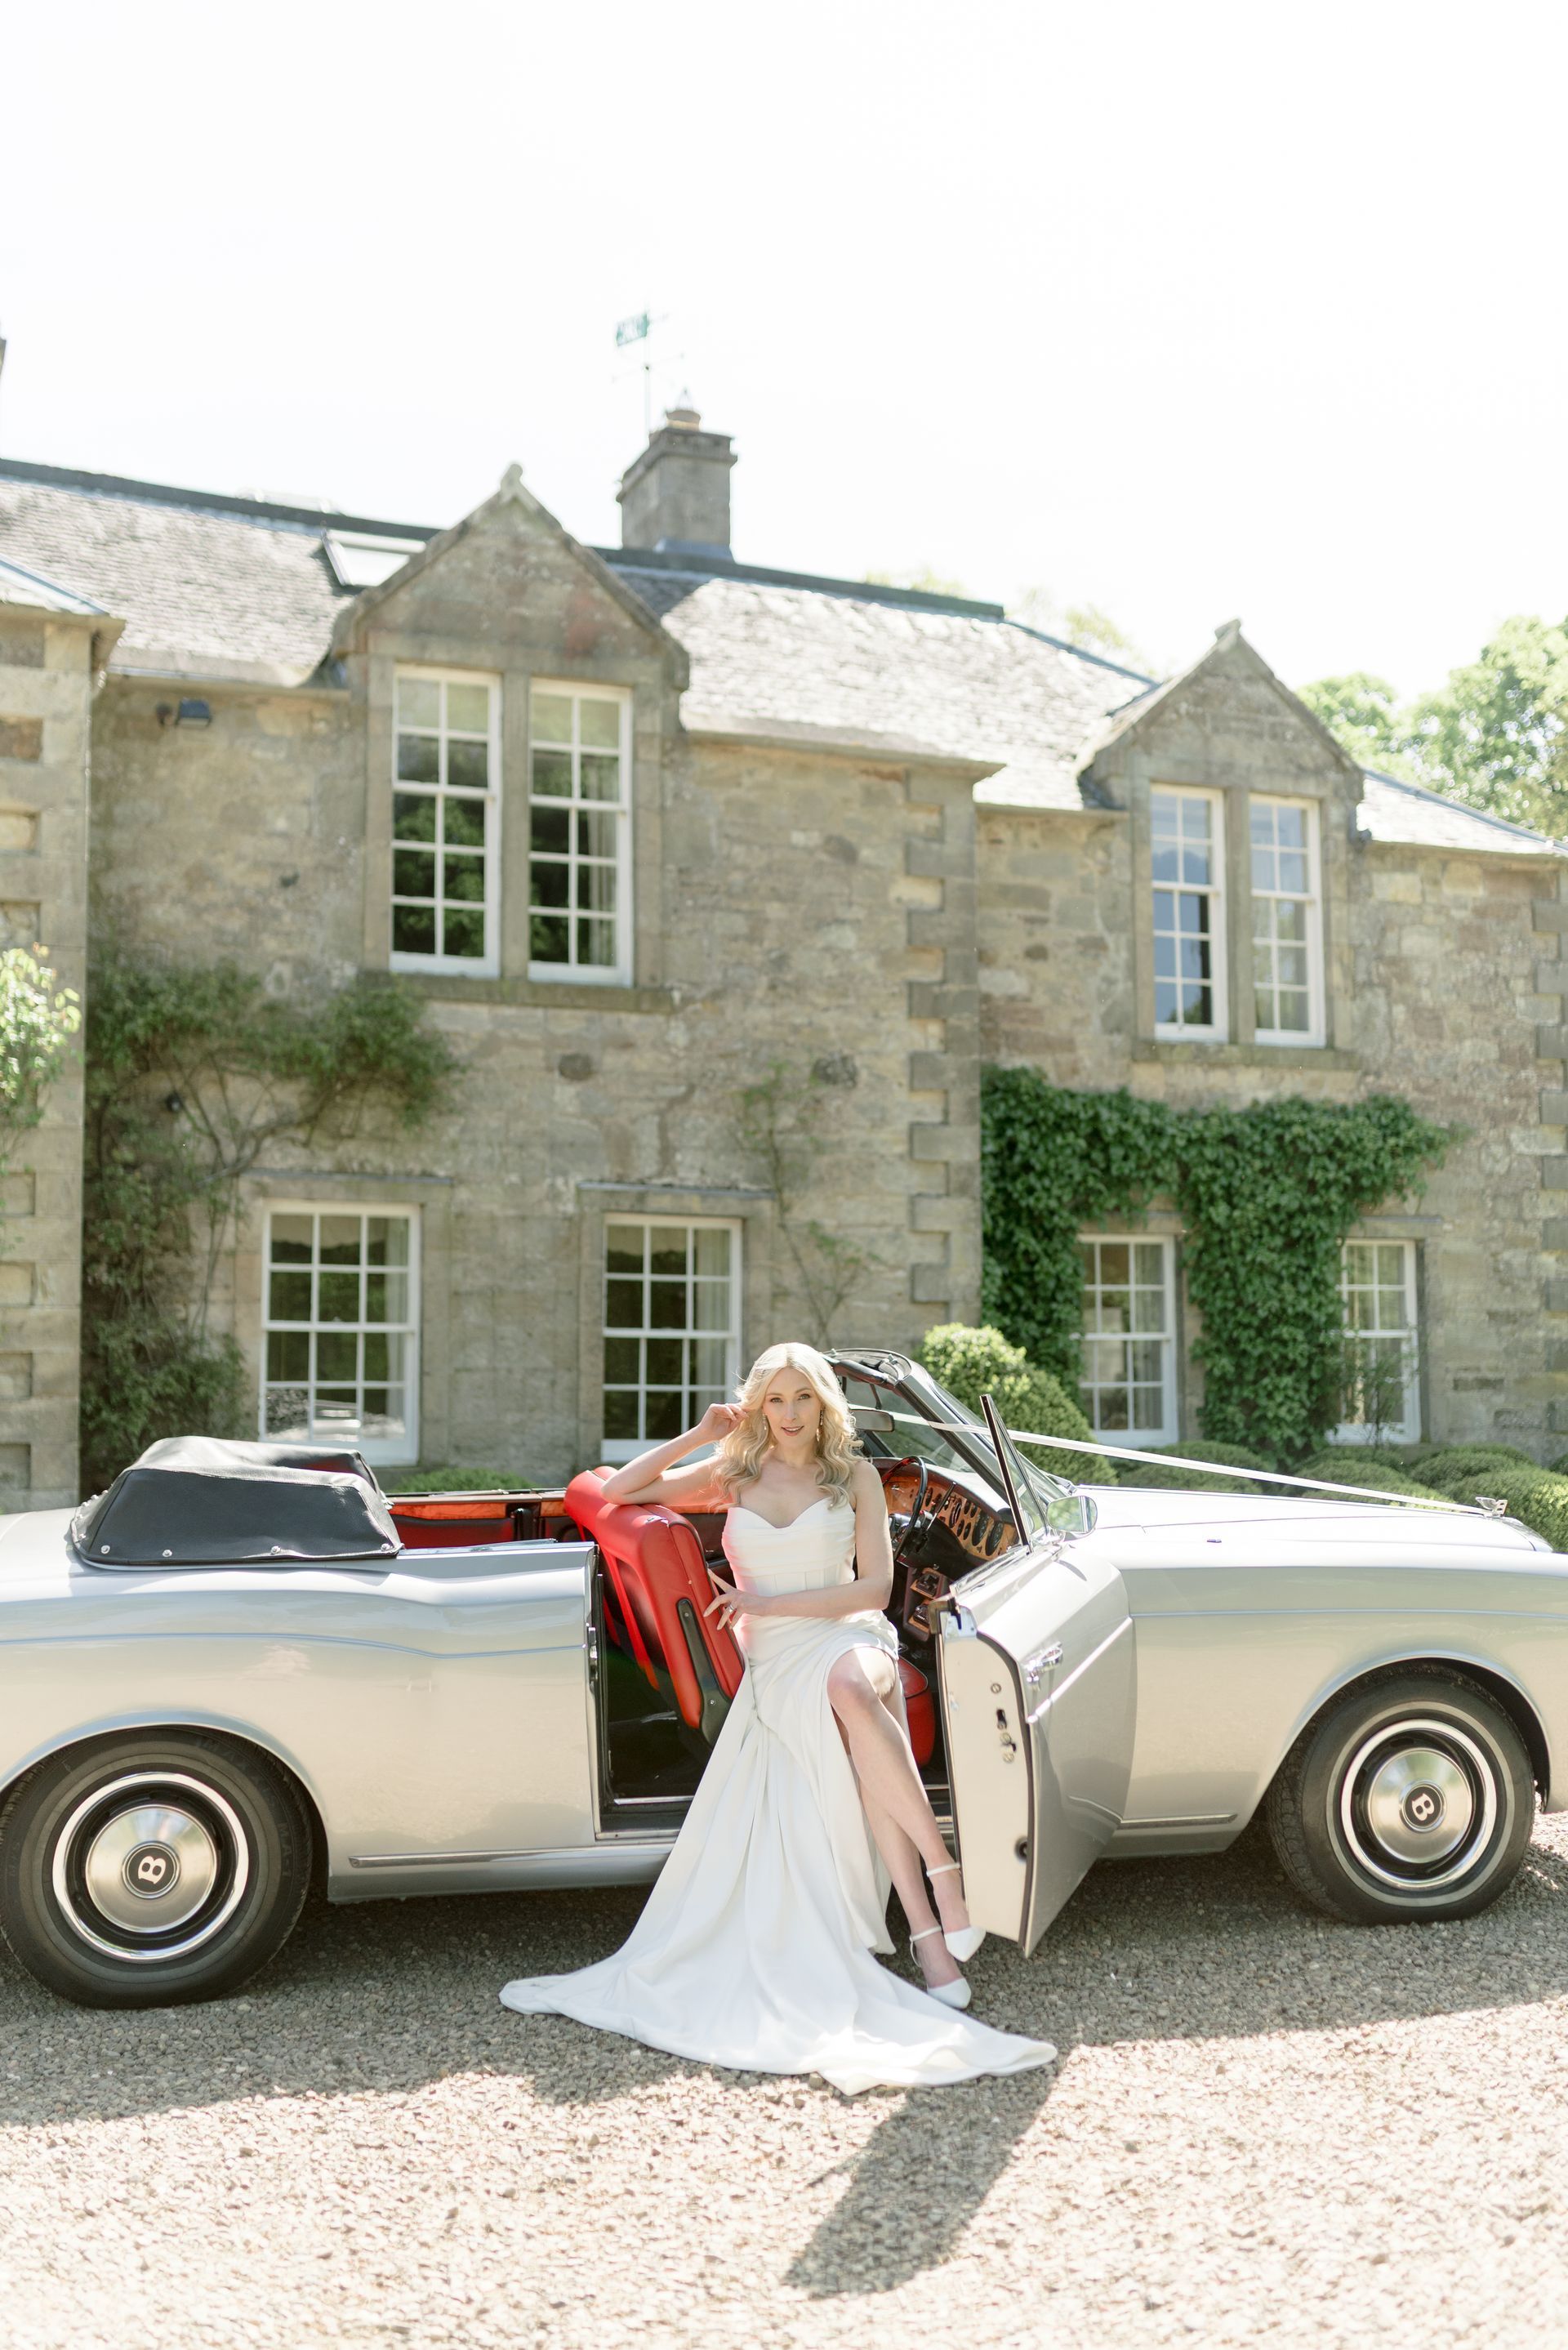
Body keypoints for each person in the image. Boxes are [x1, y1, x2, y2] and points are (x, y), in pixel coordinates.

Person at [499, 1340, 1057, 2095]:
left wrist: (766, 1601)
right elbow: (620, 1492)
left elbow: (873, 1591)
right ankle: (928, 1932)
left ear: (823, 1405)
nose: (790, 1414)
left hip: (848, 1633)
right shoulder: (733, 1472)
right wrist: (703, 1432)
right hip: (776, 1659)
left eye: (803, 1398)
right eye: (776, 1399)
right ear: (758, 1405)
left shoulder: (855, 1475)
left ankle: (942, 1877)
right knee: (855, 1718)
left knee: (853, 1689)